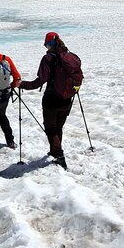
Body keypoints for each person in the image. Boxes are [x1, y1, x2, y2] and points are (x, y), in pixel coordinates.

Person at [19, 32, 75, 169]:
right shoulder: (70, 57)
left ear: (49, 44)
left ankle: (59, 156)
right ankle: (54, 150)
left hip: (52, 99)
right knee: (58, 128)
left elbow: (40, 81)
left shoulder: (48, 59)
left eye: (46, 44)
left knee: (50, 129)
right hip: (67, 98)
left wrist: (22, 84)